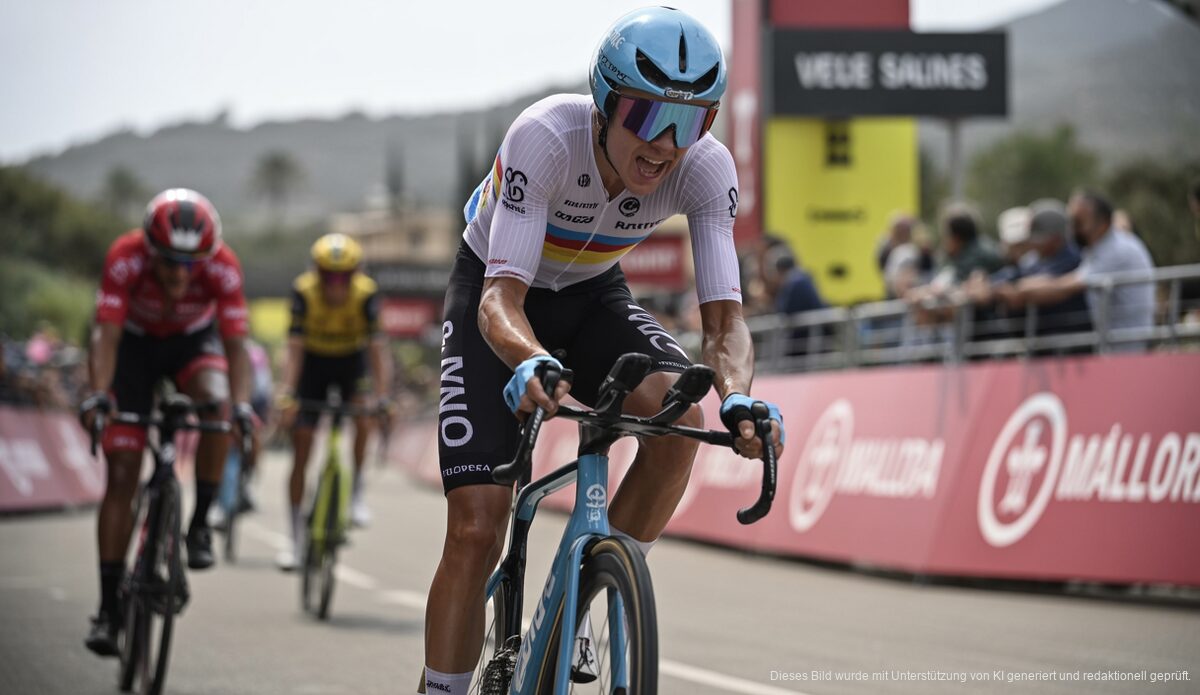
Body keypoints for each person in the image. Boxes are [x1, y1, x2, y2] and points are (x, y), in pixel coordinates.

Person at [423, 7, 784, 693]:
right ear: (605, 102)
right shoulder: (545, 138)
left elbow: (725, 323)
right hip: (497, 294)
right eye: (648, 116)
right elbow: (500, 301)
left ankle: (589, 597)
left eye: (691, 122)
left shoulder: (705, 168)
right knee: (477, 527)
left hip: (593, 295)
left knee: (681, 422)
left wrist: (738, 395)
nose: (666, 145)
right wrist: (528, 357)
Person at [77, 188, 254, 656]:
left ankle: (199, 523)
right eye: (170, 261)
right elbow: (105, 336)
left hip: (192, 343)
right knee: (122, 474)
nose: (180, 272)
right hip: (132, 347)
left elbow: (236, 347)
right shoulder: (125, 257)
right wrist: (99, 395)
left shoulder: (223, 266)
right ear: (149, 248)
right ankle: (108, 610)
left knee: (217, 406)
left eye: (191, 263)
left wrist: (240, 406)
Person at [274, 232, 392, 570]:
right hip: (313, 364)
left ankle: (356, 493)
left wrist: (383, 397)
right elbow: (294, 349)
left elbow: (377, 350)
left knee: (364, 415)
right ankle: (295, 540)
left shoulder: (366, 293)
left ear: (356, 274)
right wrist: (287, 392)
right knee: (302, 444)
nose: (336, 285)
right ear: (317, 272)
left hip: (351, 363)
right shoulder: (303, 291)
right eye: (329, 276)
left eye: (344, 277)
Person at [995, 190, 1154, 351]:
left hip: (1127, 347)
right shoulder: (1098, 248)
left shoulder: (1116, 250)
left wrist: (1019, 291)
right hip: (1115, 344)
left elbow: (1063, 287)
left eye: (1078, 222)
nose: (1072, 229)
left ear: (1103, 223)